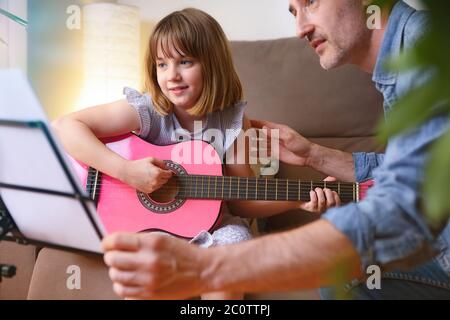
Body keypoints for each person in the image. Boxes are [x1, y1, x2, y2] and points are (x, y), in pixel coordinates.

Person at [101, 0, 450, 299]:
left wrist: (209, 264)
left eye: (311, 2)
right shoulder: (402, 63)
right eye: (293, 10)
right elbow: (421, 175)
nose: (300, 27)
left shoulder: (428, 52)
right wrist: (315, 155)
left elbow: (402, 206)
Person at [53, 8, 334, 300]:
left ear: (212, 65)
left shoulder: (234, 123)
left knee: (228, 270)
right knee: (147, 277)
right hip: (153, 229)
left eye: (184, 61)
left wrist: (299, 199)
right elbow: (66, 126)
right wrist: (126, 171)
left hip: (217, 228)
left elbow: (242, 202)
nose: (171, 75)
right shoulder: (148, 110)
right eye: (162, 64)